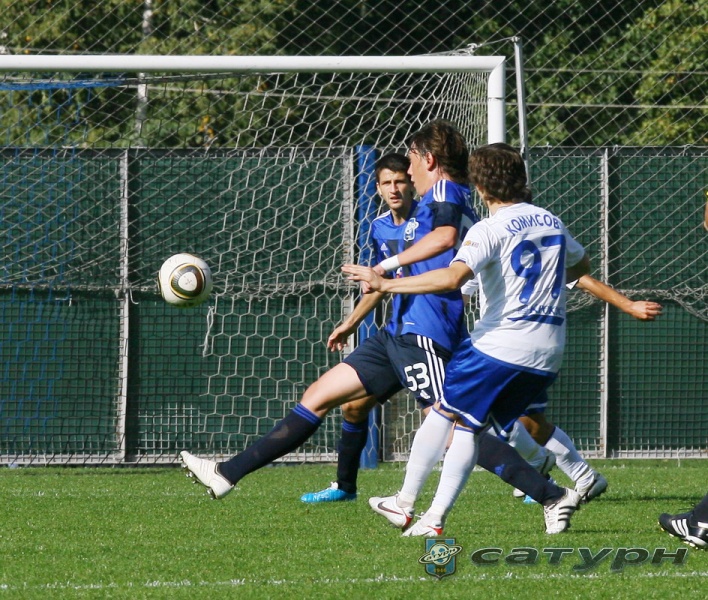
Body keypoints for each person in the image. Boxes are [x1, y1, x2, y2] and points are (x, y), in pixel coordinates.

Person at [179, 121, 479, 501]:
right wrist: (352, 321)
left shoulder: (441, 198)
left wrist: (388, 271)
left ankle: (539, 484)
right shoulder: (396, 221)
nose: (402, 179)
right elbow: (384, 281)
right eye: (387, 181)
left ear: (427, 161)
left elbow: (444, 249)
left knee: (451, 427)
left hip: (425, 331)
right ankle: (228, 473)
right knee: (322, 396)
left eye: (408, 168)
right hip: (395, 332)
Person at [343, 142, 590, 536]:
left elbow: (451, 278)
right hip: (548, 351)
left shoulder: (489, 228)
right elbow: (580, 265)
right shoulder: (551, 221)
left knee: (444, 415)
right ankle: (428, 515)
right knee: (466, 425)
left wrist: (386, 284)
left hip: (500, 345)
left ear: (480, 186)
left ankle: (409, 505)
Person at [507, 275, 663, 504]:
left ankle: (538, 469)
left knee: (483, 413)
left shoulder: (542, 255)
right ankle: (578, 476)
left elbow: (581, 278)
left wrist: (629, 305)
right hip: (507, 348)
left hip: (521, 349)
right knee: (529, 421)